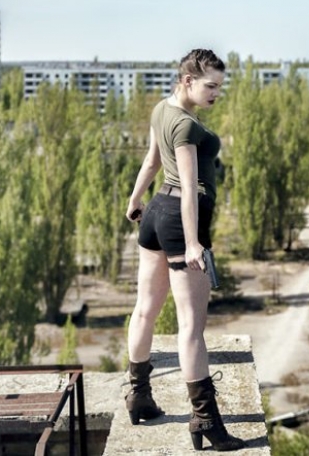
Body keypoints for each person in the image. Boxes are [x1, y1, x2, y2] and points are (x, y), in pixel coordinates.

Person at [124, 48, 245, 451]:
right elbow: (191, 188)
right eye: (211, 86)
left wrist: (135, 198)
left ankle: (138, 395)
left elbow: (152, 161)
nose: (216, 93)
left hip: (157, 212)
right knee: (191, 327)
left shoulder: (163, 110)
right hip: (180, 220)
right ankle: (205, 421)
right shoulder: (189, 129)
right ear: (188, 80)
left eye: (220, 87)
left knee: (144, 309)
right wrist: (194, 243)